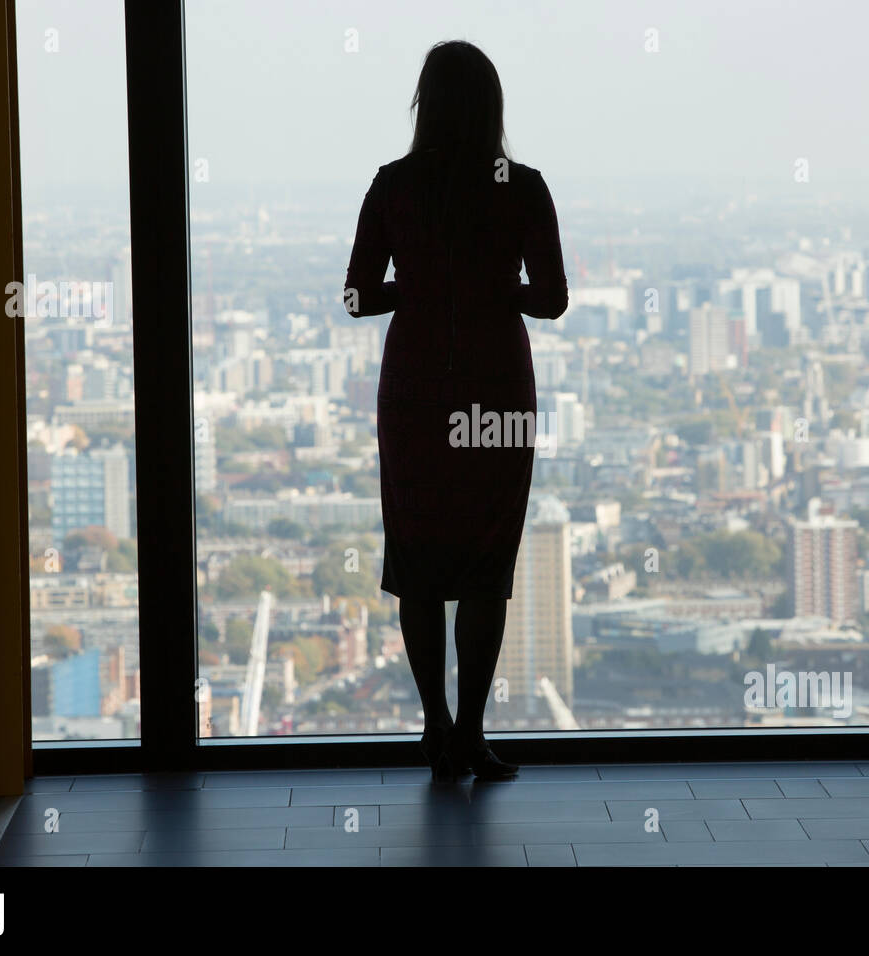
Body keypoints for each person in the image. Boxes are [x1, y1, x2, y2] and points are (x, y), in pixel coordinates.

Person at [343, 40, 568, 782]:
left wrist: (418, 292)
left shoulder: (394, 184)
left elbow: (356, 297)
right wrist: (497, 292)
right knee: (484, 565)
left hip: (412, 394)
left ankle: (433, 726)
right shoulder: (523, 186)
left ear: (424, 105)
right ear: (493, 107)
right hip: (497, 391)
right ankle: (471, 730)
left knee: (417, 561)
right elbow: (553, 298)